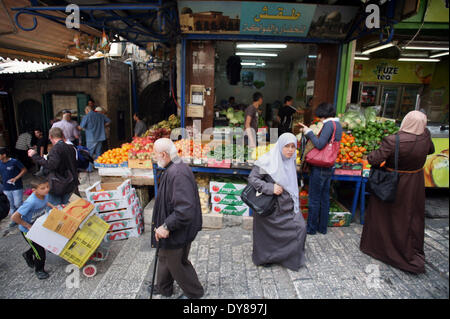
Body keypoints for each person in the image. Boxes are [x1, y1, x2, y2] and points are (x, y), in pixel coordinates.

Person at [360, 111, 435, 274]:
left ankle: (382, 249)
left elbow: (374, 159)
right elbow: (430, 150)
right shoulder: (425, 135)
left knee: (385, 216)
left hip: (393, 183)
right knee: (410, 216)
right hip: (415, 182)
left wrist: (369, 155)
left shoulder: (395, 140)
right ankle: (408, 248)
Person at [149, 138, 204, 299]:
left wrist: (166, 226)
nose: (154, 157)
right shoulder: (174, 166)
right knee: (165, 257)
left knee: (176, 262)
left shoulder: (177, 172)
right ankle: (163, 287)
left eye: (155, 154)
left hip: (178, 229)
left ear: (164, 154)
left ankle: (195, 292)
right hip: (175, 226)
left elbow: (185, 209)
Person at [248, 133, 307, 271]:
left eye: (293, 147)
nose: (290, 150)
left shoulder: (290, 161)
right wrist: (270, 187)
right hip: (270, 207)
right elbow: (253, 178)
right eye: (287, 146)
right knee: (266, 236)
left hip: (287, 206)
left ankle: (289, 258)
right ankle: (266, 258)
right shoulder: (268, 160)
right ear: (280, 146)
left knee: (300, 228)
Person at [298, 102, 343, 235]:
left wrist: (309, 132)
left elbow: (319, 144)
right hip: (329, 166)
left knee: (314, 198)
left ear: (323, 114)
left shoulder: (329, 124)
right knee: (324, 197)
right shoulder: (338, 125)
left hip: (320, 166)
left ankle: (311, 228)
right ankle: (322, 227)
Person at [10, 176, 55, 280]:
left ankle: (27, 254)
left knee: (38, 246)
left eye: (47, 186)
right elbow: (14, 217)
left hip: (38, 226)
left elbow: (45, 202)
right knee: (40, 252)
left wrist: (53, 207)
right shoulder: (30, 202)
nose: (47, 189)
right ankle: (39, 270)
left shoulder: (45, 195)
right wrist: (28, 226)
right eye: (43, 188)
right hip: (28, 231)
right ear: (34, 190)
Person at [28, 127, 78, 207]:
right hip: (70, 182)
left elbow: (51, 165)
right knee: (68, 209)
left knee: (54, 210)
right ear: (62, 136)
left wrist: (35, 156)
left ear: (50, 137)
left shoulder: (55, 149)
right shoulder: (71, 148)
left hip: (57, 184)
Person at [0, 148, 27, 227]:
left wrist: (16, 178)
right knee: (11, 205)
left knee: (18, 203)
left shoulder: (14, 162)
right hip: (6, 187)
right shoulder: (0, 163)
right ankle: (14, 219)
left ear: (4, 155)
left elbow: (24, 170)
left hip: (16, 187)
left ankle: (23, 218)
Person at [80, 105, 111, 171]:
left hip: (91, 138)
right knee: (98, 153)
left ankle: (89, 169)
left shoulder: (87, 116)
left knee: (89, 153)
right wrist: (103, 125)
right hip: (100, 136)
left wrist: (76, 127)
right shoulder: (100, 115)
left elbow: (81, 127)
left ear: (87, 110)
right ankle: (99, 167)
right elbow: (109, 121)